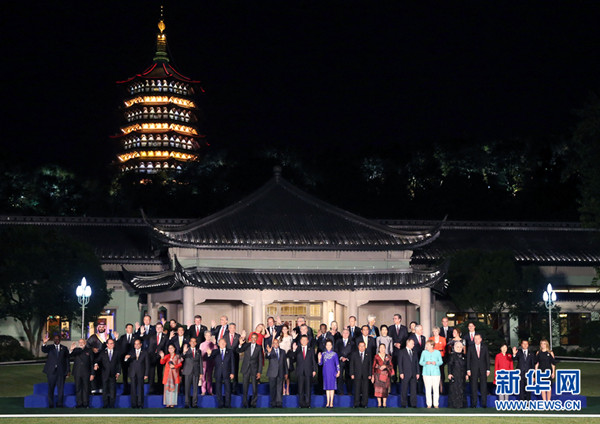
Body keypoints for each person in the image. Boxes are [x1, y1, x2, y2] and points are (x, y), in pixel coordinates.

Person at [41, 334, 70, 408]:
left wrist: (68, 371)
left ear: (60, 340)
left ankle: (60, 404)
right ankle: (51, 404)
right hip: (51, 371)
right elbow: (44, 350)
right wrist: (44, 343)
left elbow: (67, 360)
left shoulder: (64, 348)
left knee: (60, 389)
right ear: (53, 340)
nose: (56, 340)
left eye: (58, 339)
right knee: (51, 388)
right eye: (55, 339)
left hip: (61, 371)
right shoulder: (50, 347)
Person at [288, 335, 317, 408]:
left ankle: (308, 404)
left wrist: (314, 370)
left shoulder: (311, 349)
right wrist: (293, 350)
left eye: (305, 340)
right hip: (300, 371)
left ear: (307, 341)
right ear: (300, 341)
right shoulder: (297, 349)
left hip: (308, 371)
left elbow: (313, 360)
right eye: (302, 340)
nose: (304, 341)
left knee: (308, 389)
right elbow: (291, 357)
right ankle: (301, 404)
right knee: (300, 389)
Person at [238, 331, 264, 408]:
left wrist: (259, 372)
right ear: (250, 338)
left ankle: (253, 403)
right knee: (245, 387)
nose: (253, 339)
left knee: (254, 387)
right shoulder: (246, 345)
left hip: (254, 370)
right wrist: (240, 344)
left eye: (255, 338)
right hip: (246, 369)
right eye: (252, 337)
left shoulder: (259, 347)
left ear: (256, 339)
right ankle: (245, 403)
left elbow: (260, 360)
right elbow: (239, 350)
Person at [208, 337, 235, 408]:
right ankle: (220, 404)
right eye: (221, 343)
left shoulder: (230, 351)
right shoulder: (215, 351)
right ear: (218, 344)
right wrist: (209, 354)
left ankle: (227, 404)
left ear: (226, 344)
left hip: (227, 372)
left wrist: (232, 373)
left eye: (224, 343)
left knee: (228, 389)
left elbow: (232, 363)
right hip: (218, 372)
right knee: (218, 389)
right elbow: (210, 360)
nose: (222, 344)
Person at [95, 338, 120, 408]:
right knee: (105, 390)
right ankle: (105, 404)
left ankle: (112, 405)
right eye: (110, 343)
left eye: (112, 343)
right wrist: (96, 364)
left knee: (112, 390)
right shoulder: (103, 353)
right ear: (107, 345)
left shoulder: (117, 352)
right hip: (105, 374)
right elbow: (97, 360)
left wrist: (118, 373)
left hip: (113, 374)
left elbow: (118, 364)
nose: (111, 345)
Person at [69, 339, 95, 408]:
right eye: (79, 342)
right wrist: (71, 350)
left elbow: (92, 363)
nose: (80, 343)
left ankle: (86, 404)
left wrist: (92, 374)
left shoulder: (89, 350)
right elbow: (70, 356)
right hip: (77, 372)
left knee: (86, 388)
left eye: (82, 342)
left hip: (86, 372)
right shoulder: (76, 350)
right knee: (78, 388)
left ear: (85, 343)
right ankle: (79, 403)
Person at [466, 334, 490, 408]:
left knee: (483, 386)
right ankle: (474, 404)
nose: (476, 340)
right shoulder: (470, 348)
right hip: (473, 370)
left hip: (483, 369)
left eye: (478, 339)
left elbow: (487, 359)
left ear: (481, 339)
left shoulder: (485, 348)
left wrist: (488, 369)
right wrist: (468, 369)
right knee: (473, 387)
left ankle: (484, 403)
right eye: (475, 339)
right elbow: (468, 359)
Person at [125, 338, 149, 409]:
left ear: (141, 344)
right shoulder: (131, 352)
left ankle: (140, 404)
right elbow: (126, 362)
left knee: (140, 389)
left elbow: (147, 364)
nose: (137, 345)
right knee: (133, 389)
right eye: (135, 344)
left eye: (138, 344)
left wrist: (146, 374)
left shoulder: (144, 352)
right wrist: (126, 358)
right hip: (132, 373)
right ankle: (133, 404)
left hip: (141, 373)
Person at [265, 338, 288, 408]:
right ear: (272, 344)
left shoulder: (283, 352)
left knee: (279, 388)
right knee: (272, 388)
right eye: (274, 343)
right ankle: (273, 403)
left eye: (276, 343)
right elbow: (267, 357)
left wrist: (286, 372)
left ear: (278, 344)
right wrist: (268, 352)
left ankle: (279, 403)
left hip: (280, 372)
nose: (275, 344)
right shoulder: (270, 351)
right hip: (272, 373)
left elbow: (285, 363)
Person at [420, 340, 443, 408]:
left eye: (428, 345)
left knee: (436, 389)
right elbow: (421, 362)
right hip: (426, 373)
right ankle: (429, 404)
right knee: (428, 389)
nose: (426, 346)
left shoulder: (437, 352)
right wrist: (425, 363)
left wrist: (435, 363)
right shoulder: (424, 352)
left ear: (432, 346)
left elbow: (441, 362)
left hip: (436, 373)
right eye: (426, 345)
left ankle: (436, 404)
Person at [398, 338, 420, 408]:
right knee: (404, 389)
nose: (413, 345)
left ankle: (413, 404)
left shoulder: (414, 352)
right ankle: (403, 404)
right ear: (408, 343)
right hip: (405, 373)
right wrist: (401, 372)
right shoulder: (402, 352)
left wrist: (417, 373)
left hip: (413, 374)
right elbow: (400, 363)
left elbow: (416, 363)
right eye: (412, 343)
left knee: (413, 389)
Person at [146, 321, 167, 394]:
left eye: (160, 327)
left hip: (160, 357)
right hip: (152, 357)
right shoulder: (151, 336)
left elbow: (166, 347)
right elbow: (149, 346)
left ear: (162, 328)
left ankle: (160, 390)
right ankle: (151, 390)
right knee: (151, 374)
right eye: (157, 327)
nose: (158, 329)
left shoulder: (165, 336)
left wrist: (164, 356)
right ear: (155, 328)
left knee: (159, 374)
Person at [181, 337, 203, 408]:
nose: (193, 343)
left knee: (195, 388)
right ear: (189, 343)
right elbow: (182, 358)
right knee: (187, 388)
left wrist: (201, 373)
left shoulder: (198, 351)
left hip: (196, 372)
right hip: (187, 371)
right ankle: (187, 403)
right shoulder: (186, 350)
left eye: (194, 342)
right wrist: (184, 352)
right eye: (192, 341)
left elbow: (200, 362)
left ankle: (194, 404)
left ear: (196, 343)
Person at [318, 339, 340, 408]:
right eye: (327, 345)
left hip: (332, 372)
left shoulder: (334, 354)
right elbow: (320, 363)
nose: (328, 346)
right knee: (327, 387)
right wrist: (319, 358)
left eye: (330, 345)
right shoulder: (323, 354)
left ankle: (331, 402)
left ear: (332, 346)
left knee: (332, 387)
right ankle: (327, 402)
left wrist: (338, 371)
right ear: (325, 346)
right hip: (325, 372)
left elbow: (337, 363)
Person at [350, 340, 372, 408]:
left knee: (365, 390)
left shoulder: (368, 354)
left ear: (365, 347)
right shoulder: (354, 354)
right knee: (357, 390)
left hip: (365, 375)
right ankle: (356, 404)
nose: (362, 347)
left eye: (363, 346)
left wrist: (370, 374)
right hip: (357, 374)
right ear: (358, 347)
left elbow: (370, 365)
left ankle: (364, 404)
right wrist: (352, 373)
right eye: (360, 346)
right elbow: (351, 364)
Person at [160, 343, 182, 408]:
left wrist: (174, 366)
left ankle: (172, 403)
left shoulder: (177, 356)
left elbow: (180, 364)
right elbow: (162, 362)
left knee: (174, 390)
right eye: (169, 348)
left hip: (174, 376)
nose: (171, 349)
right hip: (167, 376)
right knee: (167, 390)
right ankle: (167, 403)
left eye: (172, 348)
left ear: (174, 349)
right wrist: (162, 357)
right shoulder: (167, 356)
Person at [372, 343, 394, 408]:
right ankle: (379, 403)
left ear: (385, 348)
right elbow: (373, 366)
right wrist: (373, 375)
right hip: (377, 375)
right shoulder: (376, 356)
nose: (382, 349)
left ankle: (384, 403)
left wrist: (385, 366)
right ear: (379, 349)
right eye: (380, 348)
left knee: (385, 390)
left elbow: (391, 366)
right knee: (377, 389)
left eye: (383, 348)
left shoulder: (388, 356)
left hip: (386, 375)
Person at [447, 341, 467, 408]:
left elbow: (466, 366)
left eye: (460, 347)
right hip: (454, 374)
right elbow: (449, 365)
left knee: (462, 389)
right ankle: (454, 405)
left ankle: (461, 404)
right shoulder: (452, 356)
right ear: (454, 348)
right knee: (454, 389)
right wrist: (449, 373)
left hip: (462, 375)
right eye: (457, 347)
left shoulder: (464, 356)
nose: (459, 348)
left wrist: (466, 374)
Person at [117, 323, 135, 394]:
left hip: (133, 359)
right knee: (125, 375)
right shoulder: (122, 337)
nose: (130, 329)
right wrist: (116, 338)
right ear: (126, 329)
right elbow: (118, 347)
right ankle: (125, 389)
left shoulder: (135, 337)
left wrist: (130, 355)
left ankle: (132, 390)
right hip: (123, 359)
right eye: (128, 328)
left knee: (132, 375)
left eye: (131, 328)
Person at [389, 314, 408, 381]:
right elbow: (390, 338)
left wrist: (401, 344)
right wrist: (395, 344)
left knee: (402, 366)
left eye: (395, 318)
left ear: (399, 319)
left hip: (401, 349)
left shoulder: (404, 328)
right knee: (393, 366)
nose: (394, 320)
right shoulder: (390, 328)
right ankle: (394, 381)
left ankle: (401, 382)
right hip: (393, 351)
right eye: (393, 318)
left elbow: (406, 338)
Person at [334, 328, 354, 395]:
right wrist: (341, 357)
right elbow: (336, 350)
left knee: (348, 376)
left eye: (347, 333)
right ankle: (340, 391)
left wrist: (347, 357)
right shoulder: (338, 341)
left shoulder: (352, 342)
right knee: (340, 377)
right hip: (340, 361)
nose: (345, 334)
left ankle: (349, 391)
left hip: (348, 361)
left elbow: (353, 352)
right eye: (344, 333)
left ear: (349, 334)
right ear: (342, 334)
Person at [224, 323, 241, 394]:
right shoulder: (224, 336)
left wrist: (240, 344)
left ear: (235, 328)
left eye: (233, 328)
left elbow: (241, 347)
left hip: (235, 357)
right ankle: (227, 390)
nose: (232, 329)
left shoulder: (238, 336)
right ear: (228, 328)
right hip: (227, 357)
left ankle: (234, 390)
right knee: (227, 373)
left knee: (235, 373)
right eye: (231, 327)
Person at [429, 326, 446, 393]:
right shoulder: (431, 339)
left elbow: (445, 348)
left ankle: (441, 387)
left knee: (441, 372)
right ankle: (434, 388)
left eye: (436, 331)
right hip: (433, 357)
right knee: (433, 372)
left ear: (439, 332)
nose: (435, 333)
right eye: (434, 331)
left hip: (441, 356)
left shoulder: (443, 339)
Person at [278, 324, 294, 395]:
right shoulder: (279, 338)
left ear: (287, 329)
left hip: (288, 358)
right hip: (281, 358)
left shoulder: (290, 338)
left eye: (285, 329)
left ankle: (287, 389)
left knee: (287, 375)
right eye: (283, 329)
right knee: (281, 374)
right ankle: (283, 389)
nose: (284, 330)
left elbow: (292, 347)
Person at [199, 330, 215, 395]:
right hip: (203, 363)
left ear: (211, 336)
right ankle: (203, 391)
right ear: (205, 336)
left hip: (211, 363)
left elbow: (215, 354)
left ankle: (210, 390)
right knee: (203, 377)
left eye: (209, 335)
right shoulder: (202, 344)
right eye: (206, 335)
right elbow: (200, 355)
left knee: (209, 377)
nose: (208, 337)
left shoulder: (213, 345)